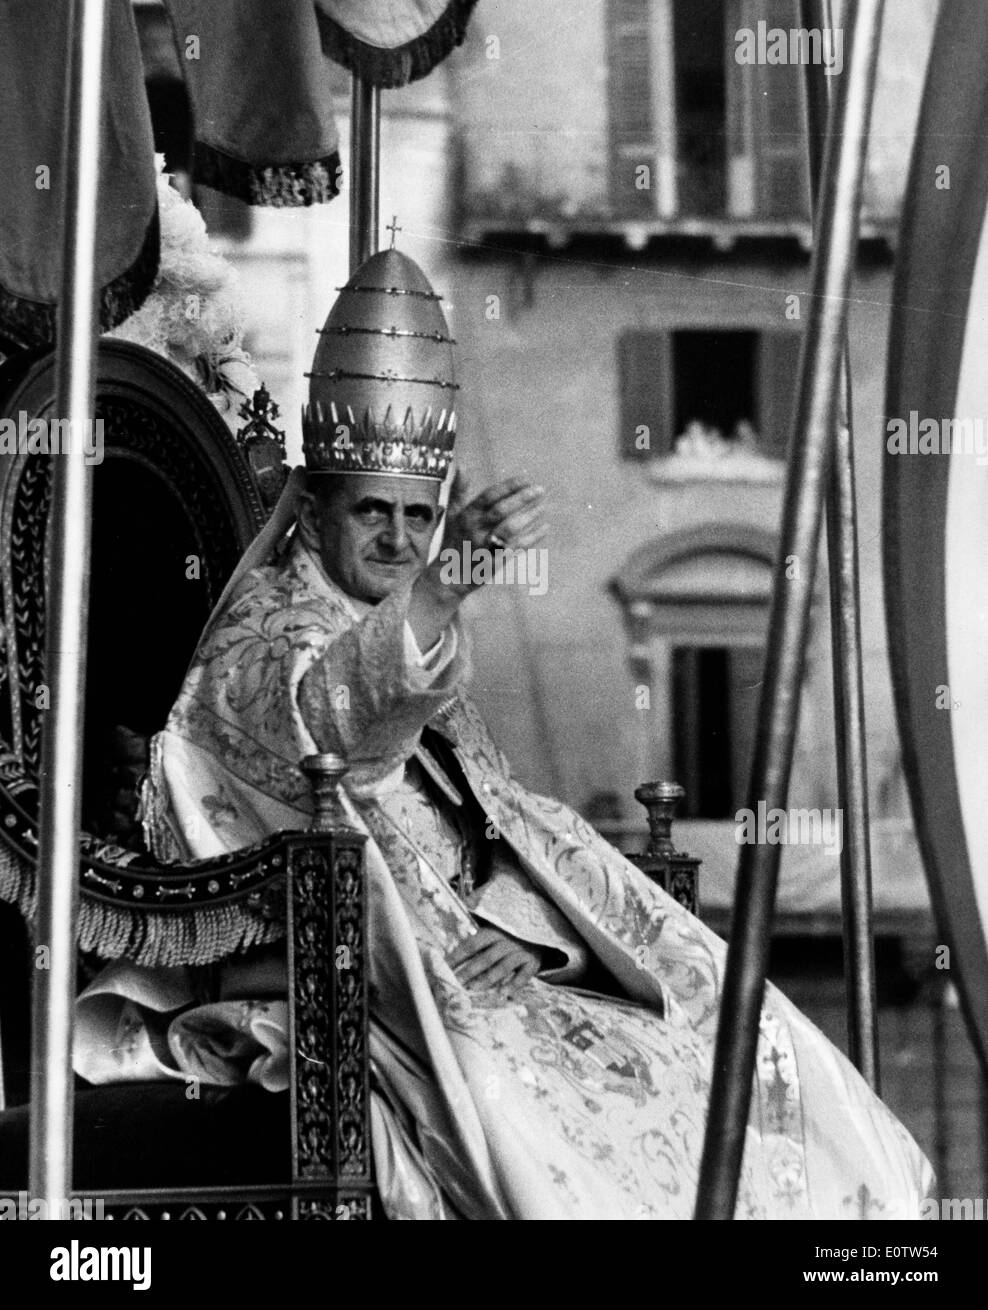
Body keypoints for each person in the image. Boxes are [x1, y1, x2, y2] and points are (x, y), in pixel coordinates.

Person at [75, 248, 932, 1219]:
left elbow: (494, 826)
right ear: (312, 510)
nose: (401, 540)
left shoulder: (398, 615)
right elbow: (335, 733)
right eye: (373, 514)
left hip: (489, 957)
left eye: (419, 517)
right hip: (347, 968)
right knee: (529, 1106)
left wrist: (528, 935)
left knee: (738, 1040)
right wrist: (442, 589)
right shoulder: (266, 633)